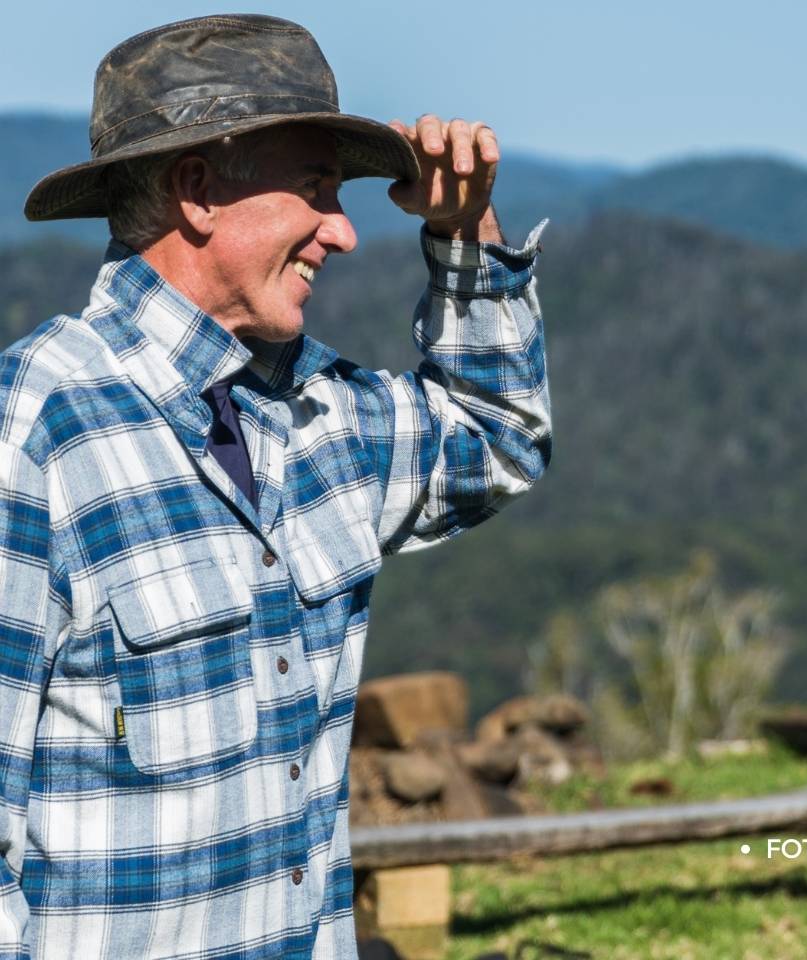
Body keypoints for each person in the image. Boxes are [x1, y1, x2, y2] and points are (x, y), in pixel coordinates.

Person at [0, 14, 550, 958]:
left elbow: (500, 439)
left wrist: (466, 237)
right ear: (198, 191)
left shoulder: (324, 416)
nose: (343, 231)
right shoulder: (36, 429)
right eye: (315, 189)